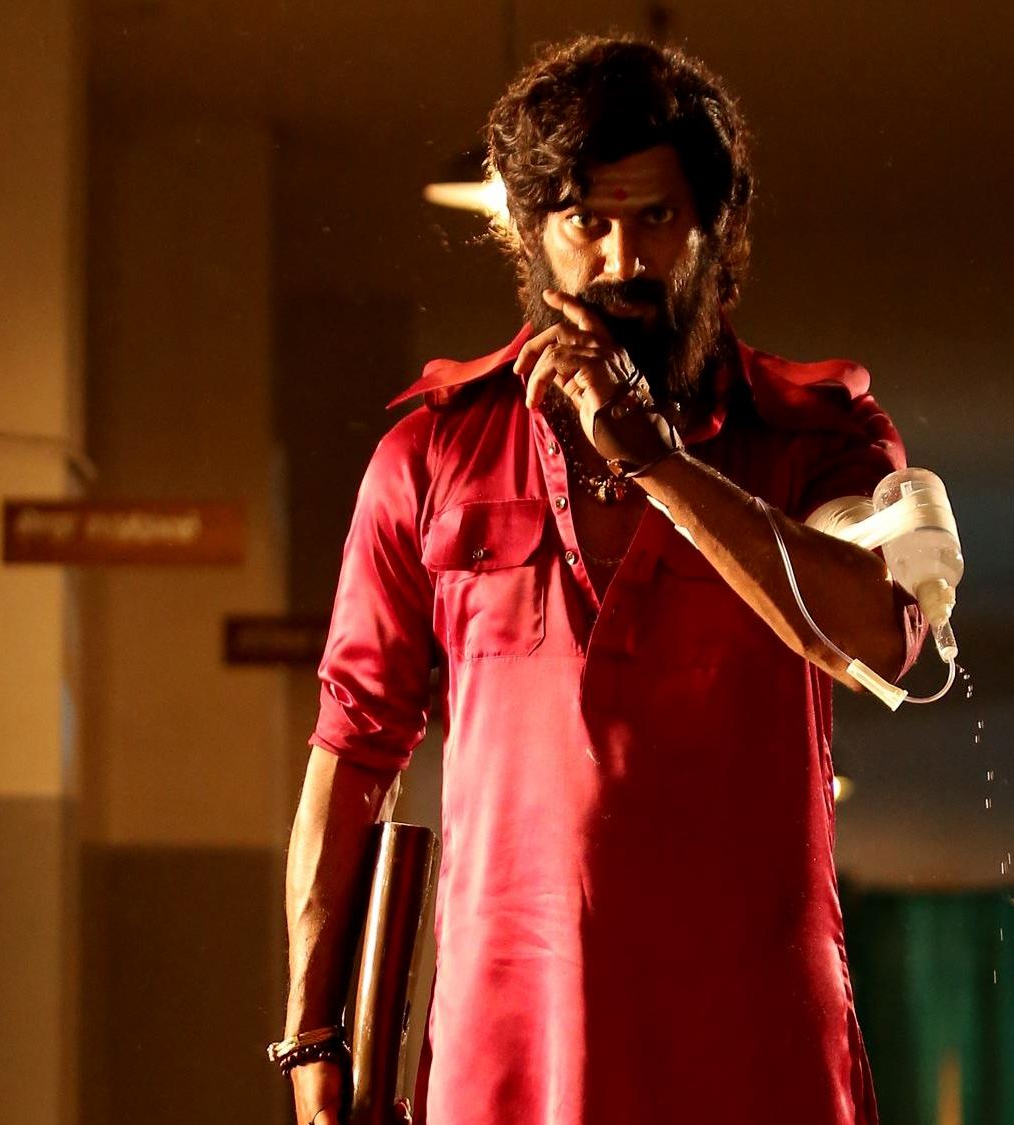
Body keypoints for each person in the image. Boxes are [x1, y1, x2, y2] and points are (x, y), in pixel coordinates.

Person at [278, 35, 927, 1125]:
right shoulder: (430, 456)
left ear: (718, 234)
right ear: (531, 236)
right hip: (505, 1048)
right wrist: (311, 1035)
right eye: (587, 220)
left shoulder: (818, 437)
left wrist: (657, 461)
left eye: (657, 218)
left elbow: (880, 637)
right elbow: (353, 747)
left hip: (755, 1047)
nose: (624, 260)